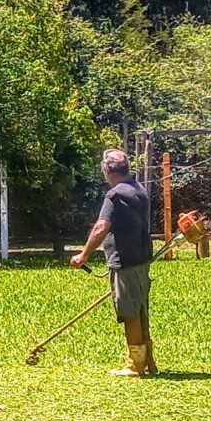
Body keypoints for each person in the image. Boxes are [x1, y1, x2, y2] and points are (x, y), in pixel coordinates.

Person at [74, 148, 158, 376]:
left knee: (129, 311)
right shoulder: (138, 189)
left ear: (107, 170)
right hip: (141, 259)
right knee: (140, 308)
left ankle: (134, 365)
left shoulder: (114, 195)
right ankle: (148, 361)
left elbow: (102, 226)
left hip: (125, 261)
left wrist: (84, 255)